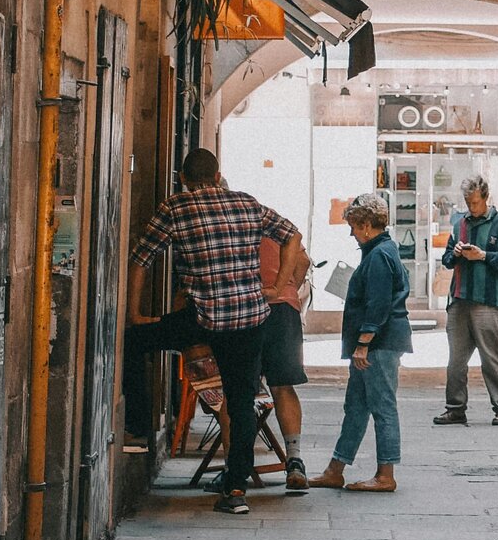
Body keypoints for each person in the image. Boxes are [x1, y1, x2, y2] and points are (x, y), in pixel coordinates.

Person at [127, 148, 302, 515]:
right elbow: (292, 235)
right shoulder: (247, 204)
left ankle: (137, 429)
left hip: (202, 317)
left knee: (134, 342)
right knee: (241, 404)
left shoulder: (175, 207)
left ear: (183, 179)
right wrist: (278, 285)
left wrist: (137, 313)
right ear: (219, 173)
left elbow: (141, 259)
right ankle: (236, 491)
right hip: (249, 318)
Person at [310, 193, 410, 491]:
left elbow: (379, 304)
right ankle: (335, 468)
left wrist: (364, 342)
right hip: (377, 342)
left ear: (367, 224)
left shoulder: (379, 255)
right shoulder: (380, 251)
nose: (351, 232)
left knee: (382, 406)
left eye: (354, 226)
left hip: (379, 344)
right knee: (356, 405)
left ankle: (385, 475)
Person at [436, 174, 498, 425]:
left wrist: (484, 256)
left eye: (475, 202)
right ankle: (455, 408)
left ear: (485, 198)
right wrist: (457, 253)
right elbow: (447, 259)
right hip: (460, 299)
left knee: (493, 358)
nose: (471, 207)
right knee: (456, 360)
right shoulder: (459, 224)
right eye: (468, 202)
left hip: (488, 301)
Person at [257, 231, 311, 492]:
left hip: (247, 305)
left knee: (239, 388)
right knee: (283, 385)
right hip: (284, 308)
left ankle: (236, 466)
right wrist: (288, 286)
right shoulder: (275, 225)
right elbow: (304, 261)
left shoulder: (229, 221)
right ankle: (294, 459)